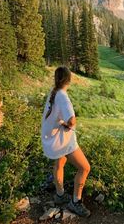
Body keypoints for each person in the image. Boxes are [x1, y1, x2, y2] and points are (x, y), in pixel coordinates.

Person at [41, 66, 91, 217]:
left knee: (59, 164)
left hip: (51, 139)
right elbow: (72, 119)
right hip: (62, 141)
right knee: (85, 168)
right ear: (69, 79)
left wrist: (62, 123)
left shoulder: (53, 92)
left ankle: (60, 195)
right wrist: (68, 125)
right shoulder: (62, 95)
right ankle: (75, 202)